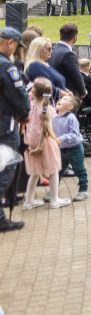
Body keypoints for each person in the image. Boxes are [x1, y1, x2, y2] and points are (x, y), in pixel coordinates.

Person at [23, 78, 70, 210]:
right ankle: (55, 200)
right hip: (46, 144)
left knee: (35, 173)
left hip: (32, 142)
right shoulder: (48, 109)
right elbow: (48, 130)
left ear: (33, 92)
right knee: (53, 171)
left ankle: (28, 201)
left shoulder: (30, 106)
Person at [0, 27, 29, 232]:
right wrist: (25, 114)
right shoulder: (6, 67)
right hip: (5, 127)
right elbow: (19, 97)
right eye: (17, 47)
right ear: (10, 42)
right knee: (5, 169)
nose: (17, 51)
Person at [52, 94, 88, 202]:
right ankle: (54, 192)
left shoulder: (71, 118)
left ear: (69, 107)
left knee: (79, 169)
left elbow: (75, 134)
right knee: (57, 171)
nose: (61, 99)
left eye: (65, 99)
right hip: (61, 149)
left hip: (75, 149)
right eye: (62, 98)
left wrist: (62, 138)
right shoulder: (54, 117)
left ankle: (83, 190)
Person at [50, 24, 86, 100]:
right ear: (75, 37)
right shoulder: (68, 54)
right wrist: (83, 92)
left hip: (55, 93)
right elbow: (76, 76)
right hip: (68, 95)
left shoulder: (53, 49)